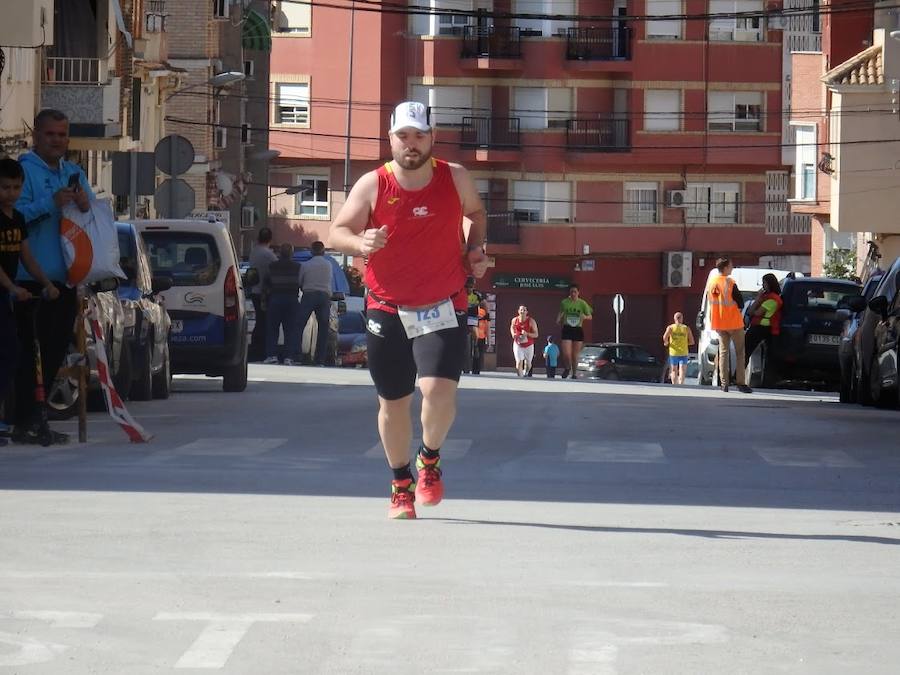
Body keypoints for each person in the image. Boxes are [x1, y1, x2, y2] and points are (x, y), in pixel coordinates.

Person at [327, 100, 488, 519]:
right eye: (403, 136)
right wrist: (359, 244)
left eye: (419, 135)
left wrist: (475, 250)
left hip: (443, 301)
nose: (411, 144)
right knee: (393, 402)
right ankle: (400, 484)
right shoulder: (373, 184)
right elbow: (337, 232)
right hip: (387, 306)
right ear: (391, 139)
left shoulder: (454, 178)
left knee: (437, 391)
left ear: (432, 137)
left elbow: (475, 214)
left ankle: (429, 461)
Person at [14, 109, 93, 444]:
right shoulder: (23, 171)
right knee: (26, 355)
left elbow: (91, 215)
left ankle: (36, 418)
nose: (57, 140)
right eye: (50, 134)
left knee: (52, 351)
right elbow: (13, 217)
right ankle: (21, 419)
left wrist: (84, 203)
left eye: (62, 134)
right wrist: (50, 203)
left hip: (65, 279)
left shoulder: (73, 172)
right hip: (28, 278)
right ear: (37, 135)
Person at [0, 159, 60, 445]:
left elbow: (26, 257)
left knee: (11, 355)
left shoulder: (18, 219)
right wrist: (12, 287)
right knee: (8, 353)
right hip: (5, 292)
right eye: (4, 188)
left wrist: (46, 283)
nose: (10, 193)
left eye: (15, 187)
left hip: (7, 297)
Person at [706, 257, 752, 394]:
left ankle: (724, 384)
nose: (732, 268)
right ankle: (740, 383)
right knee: (740, 353)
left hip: (719, 323)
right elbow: (740, 302)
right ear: (725, 268)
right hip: (733, 323)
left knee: (723, 353)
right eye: (731, 266)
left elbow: (711, 303)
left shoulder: (712, 283)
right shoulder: (729, 282)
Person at [296, 240, 333, 366]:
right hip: (324, 296)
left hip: (309, 294)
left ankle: (297, 356)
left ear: (311, 251)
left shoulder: (305, 265)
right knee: (323, 328)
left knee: (299, 325)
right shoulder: (328, 265)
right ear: (323, 251)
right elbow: (329, 281)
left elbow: (300, 281)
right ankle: (320, 360)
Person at [263, 243, 301, 366]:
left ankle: (271, 355)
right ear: (291, 254)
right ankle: (288, 357)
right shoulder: (298, 267)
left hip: (276, 298)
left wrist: (264, 300)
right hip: (292, 300)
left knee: (272, 329)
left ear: (279, 253)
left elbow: (266, 285)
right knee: (290, 329)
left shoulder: (272, 266)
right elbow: (301, 283)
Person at [248, 227, 277, 362]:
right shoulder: (269, 254)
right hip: (264, 293)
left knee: (260, 322)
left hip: (254, 290)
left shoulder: (253, 252)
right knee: (264, 323)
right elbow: (277, 267)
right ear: (270, 239)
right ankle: (262, 351)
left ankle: (254, 350)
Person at [744, 273, 783, 369]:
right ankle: (739, 375)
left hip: (762, 327)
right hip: (760, 327)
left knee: (745, 351)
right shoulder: (767, 296)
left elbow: (755, 312)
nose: (763, 286)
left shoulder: (773, 299)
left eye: (764, 283)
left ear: (770, 284)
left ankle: (738, 375)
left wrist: (757, 299)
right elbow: (750, 311)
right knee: (746, 351)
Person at [557, 284, 592, 379]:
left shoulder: (582, 303)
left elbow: (590, 316)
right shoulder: (564, 302)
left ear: (578, 293)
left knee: (575, 354)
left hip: (577, 329)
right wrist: (558, 318)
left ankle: (574, 374)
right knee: (566, 353)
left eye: (575, 292)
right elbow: (561, 312)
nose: (573, 294)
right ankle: (568, 367)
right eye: (571, 292)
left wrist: (584, 317)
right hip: (567, 328)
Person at [662, 311, 695, 385]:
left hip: (674, 352)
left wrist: (666, 343)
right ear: (682, 319)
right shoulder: (686, 328)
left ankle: (674, 385)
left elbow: (665, 337)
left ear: (674, 319)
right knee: (682, 370)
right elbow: (692, 341)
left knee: (673, 370)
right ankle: (681, 384)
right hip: (684, 352)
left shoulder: (670, 328)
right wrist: (685, 344)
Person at [510, 305, 538, 377]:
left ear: (527, 312)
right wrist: (513, 334)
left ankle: (526, 372)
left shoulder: (531, 321)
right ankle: (520, 377)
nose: (522, 311)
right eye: (521, 310)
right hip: (518, 344)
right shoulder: (514, 320)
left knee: (528, 363)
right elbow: (512, 328)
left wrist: (527, 334)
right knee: (519, 362)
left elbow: (536, 334)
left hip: (529, 345)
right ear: (518, 311)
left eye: (524, 310)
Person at [472, 299, 489, 375]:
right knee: (478, 354)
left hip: (472, 335)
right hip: (481, 336)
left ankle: (469, 368)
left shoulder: (473, 311)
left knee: (472, 353)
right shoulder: (485, 313)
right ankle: (476, 370)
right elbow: (488, 328)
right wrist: (489, 340)